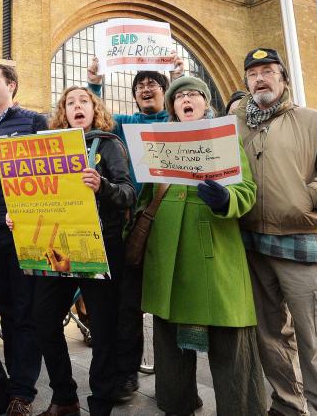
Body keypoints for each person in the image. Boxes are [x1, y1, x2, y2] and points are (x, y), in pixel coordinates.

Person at [235, 48, 317, 415]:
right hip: (253, 246)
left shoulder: (312, 120)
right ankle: (288, 405)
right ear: (246, 82)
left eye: (269, 71)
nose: (261, 78)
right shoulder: (235, 125)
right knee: (271, 337)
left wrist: (312, 196)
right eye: (254, 73)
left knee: (316, 336)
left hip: (299, 242)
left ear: (284, 80)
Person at [141, 76, 265, 415]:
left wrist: (226, 199)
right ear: (173, 108)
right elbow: (145, 196)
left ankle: (240, 407)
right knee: (169, 339)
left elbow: (247, 191)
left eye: (193, 93)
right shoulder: (157, 141)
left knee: (229, 338)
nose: (186, 99)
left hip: (213, 249)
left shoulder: (223, 138)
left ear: (205, 102)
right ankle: (175, 403)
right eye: (179, 96)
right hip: (169, 253)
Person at [27, 86, 135, 416]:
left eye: (83, 101)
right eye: (70, 103)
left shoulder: (110, 144)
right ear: (63, 112)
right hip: (57, 247)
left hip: (101, 247)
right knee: (43, 319)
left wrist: (103, 186)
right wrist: (20, 215)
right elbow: (36, 196)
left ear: (94, 109)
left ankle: (100, 404)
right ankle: (64, 397)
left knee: (102, 329)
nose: (77, 106)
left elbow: (129, 193)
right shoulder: (47, 148)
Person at [86, 54, 184, 401]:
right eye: (139, 85)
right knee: (128, 306)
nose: (146, 88)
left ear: (164, 91)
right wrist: (94, 84)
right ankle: (127, 374)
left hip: (171, 221)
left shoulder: (174, 120)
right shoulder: (124, 123)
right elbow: (97, 119)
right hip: (134, 224)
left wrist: (176, 80)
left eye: (153, 84)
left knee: (171, 304)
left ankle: (178, 384)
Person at [0, 63, 47, 416]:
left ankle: (22, 391)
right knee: (3, 307)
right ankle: (15, 378)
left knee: (24, 310)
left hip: (21, 230)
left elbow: (46, 171)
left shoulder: (34, 122)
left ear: (11, 85)